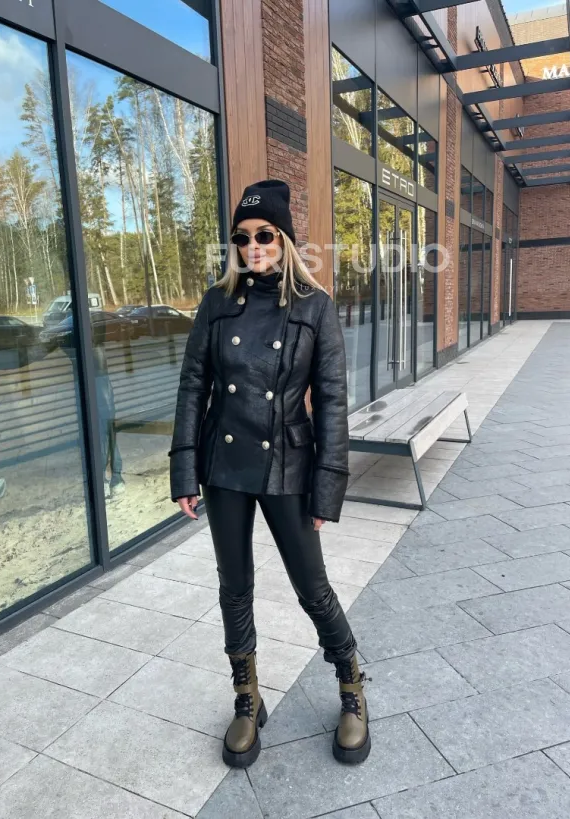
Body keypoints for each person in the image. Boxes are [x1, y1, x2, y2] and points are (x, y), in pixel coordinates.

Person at [169, 180, 370, 768]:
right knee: (234, 586)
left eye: (264, 235)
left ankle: (352, 684)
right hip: (225, 466)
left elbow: (331, 401)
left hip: (289, 466)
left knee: (312, 586)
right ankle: (247, 698)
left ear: (284, 239)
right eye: (242, 237)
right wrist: (185, 470)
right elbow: (192, 388)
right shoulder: (216, 303)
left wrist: (327, 486)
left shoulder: (315, 306)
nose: (252, 246)